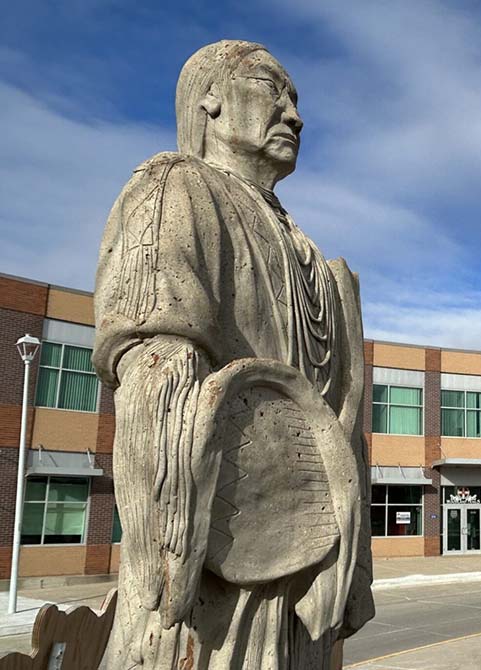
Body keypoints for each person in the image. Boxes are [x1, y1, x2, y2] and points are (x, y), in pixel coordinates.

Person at [94, 40, 373, 668]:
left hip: (304, 583)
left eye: (297, 99)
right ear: (209, 99)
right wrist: (167, 569)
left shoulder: (311, 254)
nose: (294, 114)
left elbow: (346, 430)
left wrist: (354, 573)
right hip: (207, 589)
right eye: (271, 88)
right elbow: (154, 378)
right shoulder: (174, 190)